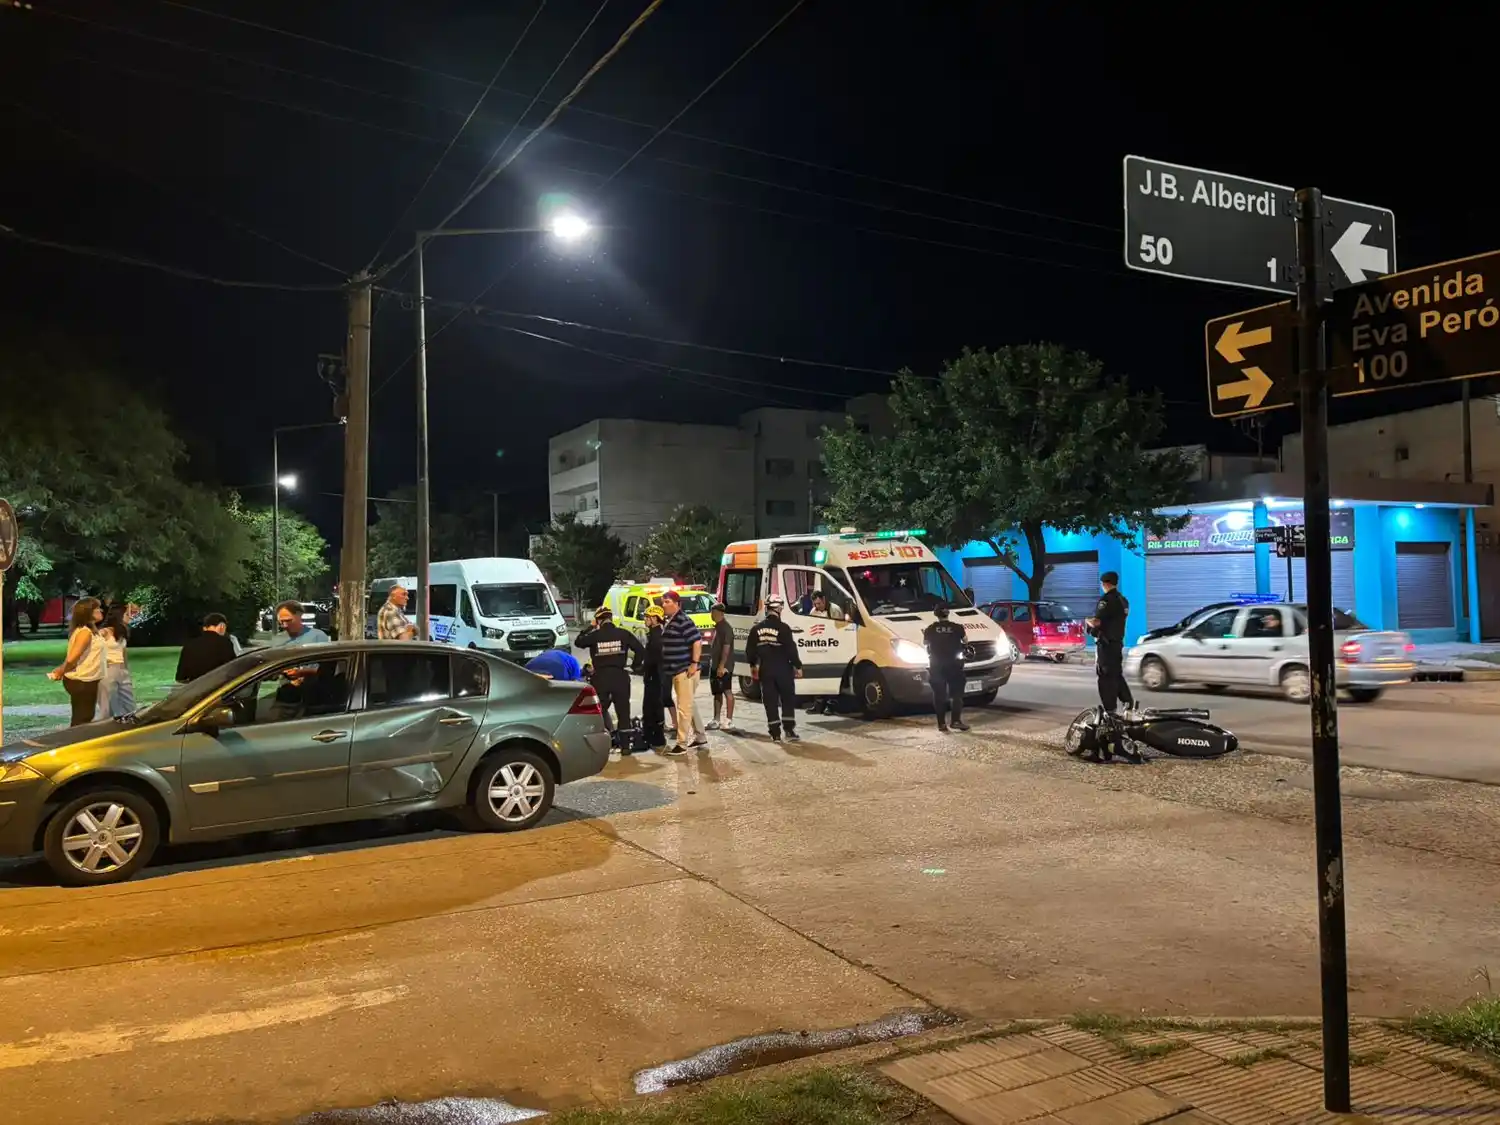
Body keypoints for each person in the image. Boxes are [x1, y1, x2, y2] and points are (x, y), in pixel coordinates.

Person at [1086, 570, 1136, 761]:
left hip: (1106, 645)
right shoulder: (1123, 601)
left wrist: (1088, 623)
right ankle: (1127, 701)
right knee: (1116, 673)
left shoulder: (1106, 600)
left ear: (1105, 583)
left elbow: (1097, 621)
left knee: (1105, 676)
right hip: (1117, 644)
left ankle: (1110, 713)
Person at [575, 605, 643, 740]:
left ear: (598, 621)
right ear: (611, 618)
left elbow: (578, 642)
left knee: (598, 712)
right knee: (623, 713)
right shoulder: (623, 633)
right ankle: (625, 745)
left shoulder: (595, 635)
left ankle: (600, 742)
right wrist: (635, 666)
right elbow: (640, 650)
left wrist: (590, 627)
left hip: (600, 678)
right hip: (620, 677)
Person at [745, 595, 802, 742]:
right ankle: (789, 730)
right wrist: (798, 665)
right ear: (778, 608)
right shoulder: (783, 628)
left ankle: (775, 733)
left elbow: (750, 650)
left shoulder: (756, 629)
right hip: (783, 669)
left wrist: (753, 666)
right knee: (787, 699)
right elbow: (791, 649)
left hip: (766, 670)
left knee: (770, 701)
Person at [660, 590, 708, 754]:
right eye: (663, 602)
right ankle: (700, 736)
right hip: (676, 670)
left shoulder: (683, 620)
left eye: (667, 602)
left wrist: (694, 663)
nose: (663, 605)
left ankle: (681, 743)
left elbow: (697, 642)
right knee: (689, 704)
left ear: (677, 604)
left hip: (685, 670)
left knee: (684, 708)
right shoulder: (671, 620)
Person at [49, 597, 104, 726]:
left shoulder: (91, 631)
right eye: (96, 608)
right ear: (88, 612)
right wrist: (61, 671)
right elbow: (72, 658)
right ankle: (75, 738)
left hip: (88, 679)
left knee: (85, 716)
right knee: (82, 719)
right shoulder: (84, 632)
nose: (100, 610)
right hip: (81, 680)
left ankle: (78, 737)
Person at [922, 602, 969, 732]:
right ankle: (956, 721)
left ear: (936, 614)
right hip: (954, 665)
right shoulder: (957, 628)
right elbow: (965, 641)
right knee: (957, 695)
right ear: (948, 613)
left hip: (937, 665)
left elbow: (925, 643)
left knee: (939, 695)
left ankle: (941, 724)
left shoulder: (930, 629)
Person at [94, 605, 137, 720]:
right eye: (127, 614)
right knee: (107, 705)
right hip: (108, 669)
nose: (130, 617)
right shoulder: (104, 632)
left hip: (121, 670)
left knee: (129, 704)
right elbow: (92, 648)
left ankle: (129, 723)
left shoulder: (121, 633)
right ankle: (104, 726)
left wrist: (126, 670)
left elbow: (123, 654)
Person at [705, 603, 739, 732]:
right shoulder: (717, 627)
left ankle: (728, 720)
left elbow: (726, 648)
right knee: (717, 692)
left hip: (724, 667)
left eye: (713, 612)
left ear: (720, 613)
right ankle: (716, 719)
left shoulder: (726, 628)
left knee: (727, 691)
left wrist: (721, 665)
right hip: (715, 665)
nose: (711, 615)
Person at [640, 604, 669, 752]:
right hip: (653, 677)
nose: (645, 620)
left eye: (647, 617)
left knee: (653, 708)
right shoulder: (654, 634)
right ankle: (651, 736)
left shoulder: (657, 637)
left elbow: (654, 659)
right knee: (650, 708)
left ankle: (656, 738)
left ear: (655, 619)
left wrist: (644, 668)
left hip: (655, 677)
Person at [177, 613, 239, 683]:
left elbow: (180, 677)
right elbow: (233, 669)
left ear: (204, 628)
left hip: (196, 687)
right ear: (222, 626)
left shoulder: (189, 644)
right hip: (218, 686)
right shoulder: (225, 643)